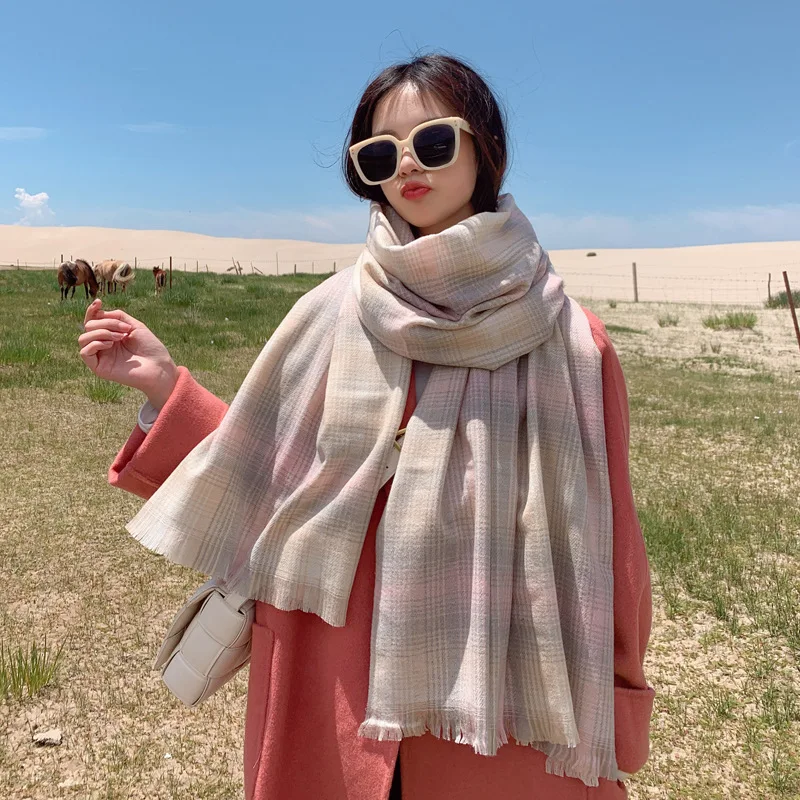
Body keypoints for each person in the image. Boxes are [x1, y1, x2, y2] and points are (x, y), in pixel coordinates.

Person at [78, 53, 654, 800]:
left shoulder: (572, 342)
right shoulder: (328, 313)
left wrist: (621, 694)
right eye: (381, 153)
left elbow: (611, 545)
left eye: (434, 142)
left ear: (484, 146)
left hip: (498, 699)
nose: (407, 165)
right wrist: (164, 385)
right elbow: (267, 472)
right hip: (330, 677)